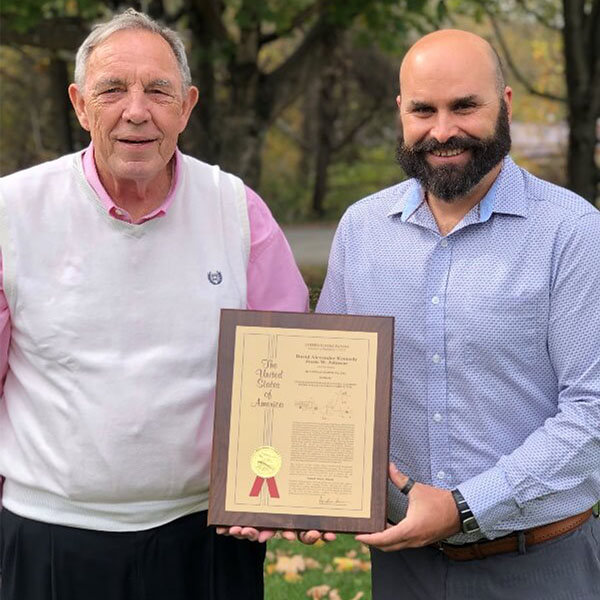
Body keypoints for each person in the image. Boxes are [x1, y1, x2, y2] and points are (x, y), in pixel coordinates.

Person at [0, 9, 308, 600]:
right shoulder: (15, 213)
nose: (135, 111)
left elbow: (288, 379)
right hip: (50, 535)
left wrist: (282, 488)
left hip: (205, 537)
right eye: (112, 89)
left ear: (187, 107)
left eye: (158, 91)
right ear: (80, 104)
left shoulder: (238, 213)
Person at [317, 29, 600, 600]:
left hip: (538, 564)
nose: (442, 131)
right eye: (424, 109)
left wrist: (464, 508)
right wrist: (306, 491)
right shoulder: (360, 231)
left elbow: (593, 413)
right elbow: (327, 390)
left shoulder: (573, 232)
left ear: (506, 105)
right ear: (401, 111)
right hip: (403, 566)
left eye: (465, 106)